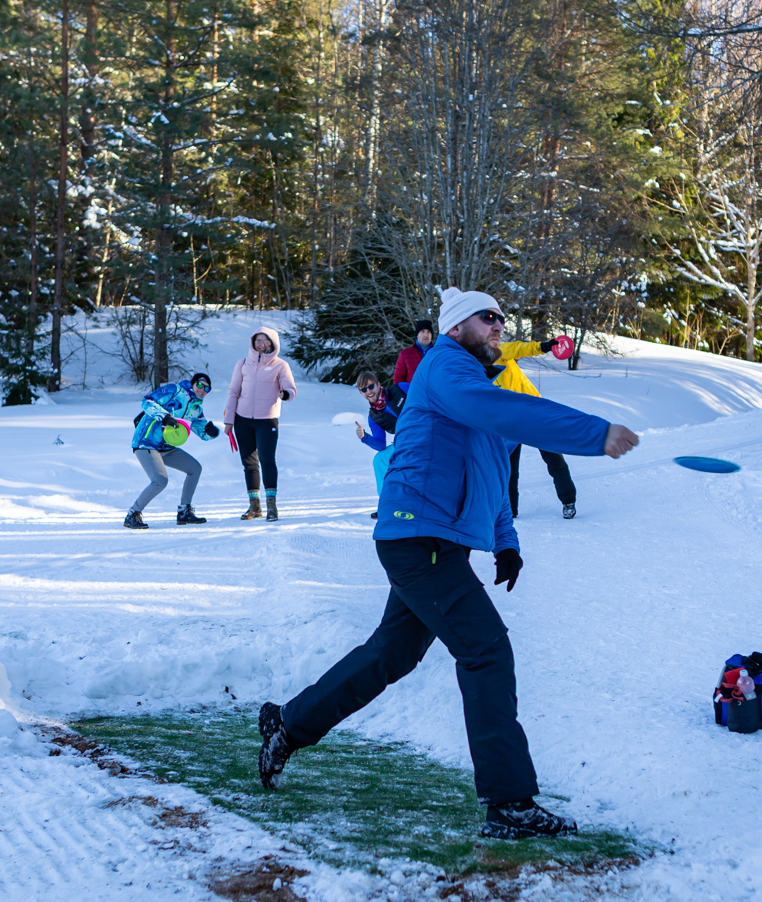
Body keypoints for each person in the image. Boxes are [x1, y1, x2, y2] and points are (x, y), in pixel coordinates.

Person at [256, 286, 640, 840]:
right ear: (456, 327)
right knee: (485, 649)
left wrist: (506, 542)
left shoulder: (474, 383)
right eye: (489, 317)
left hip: (432, 541)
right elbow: (503, 411)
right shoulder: (446, 367)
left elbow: (492, 474)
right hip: (418, 537)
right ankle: (509, 802)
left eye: (503, 318)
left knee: (390, 654)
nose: (500, 326)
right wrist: (594, 434)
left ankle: (287, 725)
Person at [492, 337, 579, 519]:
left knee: (553, 458)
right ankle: (510, 511)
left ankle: (568, 501)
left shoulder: (496, 352)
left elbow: (519, 348)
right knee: (508, 467)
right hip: (509, 421)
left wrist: (543, 346)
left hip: (533, 411)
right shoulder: (470, 373)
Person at [124, 373, 220, 529]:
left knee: (195, 468)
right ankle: (132, 514)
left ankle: (184, 511)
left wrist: (211, 432)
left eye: (207, 388)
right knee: (160, 481)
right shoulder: (174, 390)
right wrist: (164, 417)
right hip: (146, 442)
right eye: (200, 385)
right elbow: (147, 402)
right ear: (193, 383)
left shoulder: (196, 408)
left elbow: (202, 431)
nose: (202, 390)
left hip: (166, 447)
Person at [223, 327, 297, 522]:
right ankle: (254, 506)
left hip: (267, 420)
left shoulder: (280, 365)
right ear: (252, 342)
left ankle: (271, 506)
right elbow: (233, 392)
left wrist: (285, 394)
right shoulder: (242, 364)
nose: (262, 344)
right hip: (242, 420)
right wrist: (229, 420)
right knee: (249, 463)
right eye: (258, 340)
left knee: (267, 460)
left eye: (266, 340)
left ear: (272, 343)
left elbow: (291, 389)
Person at [353, 370, 405, 518]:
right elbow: (381, 444)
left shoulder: (400, 389)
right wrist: (365, 437)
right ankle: (387, 505)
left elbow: (423, 395)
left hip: (425, 432)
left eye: (370, 387)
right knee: (380, 459)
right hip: (404, 443)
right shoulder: (374, 416)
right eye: (363, 390)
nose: (368, 392)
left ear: (378, 384)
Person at [391, 319, 434, 392]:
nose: (426, 335)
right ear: (417, 334)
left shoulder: (438, 354)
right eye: (422, 331)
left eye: (428, 332)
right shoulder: (405, 354)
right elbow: (398, 379)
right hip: (413, 395)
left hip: (434, 395)